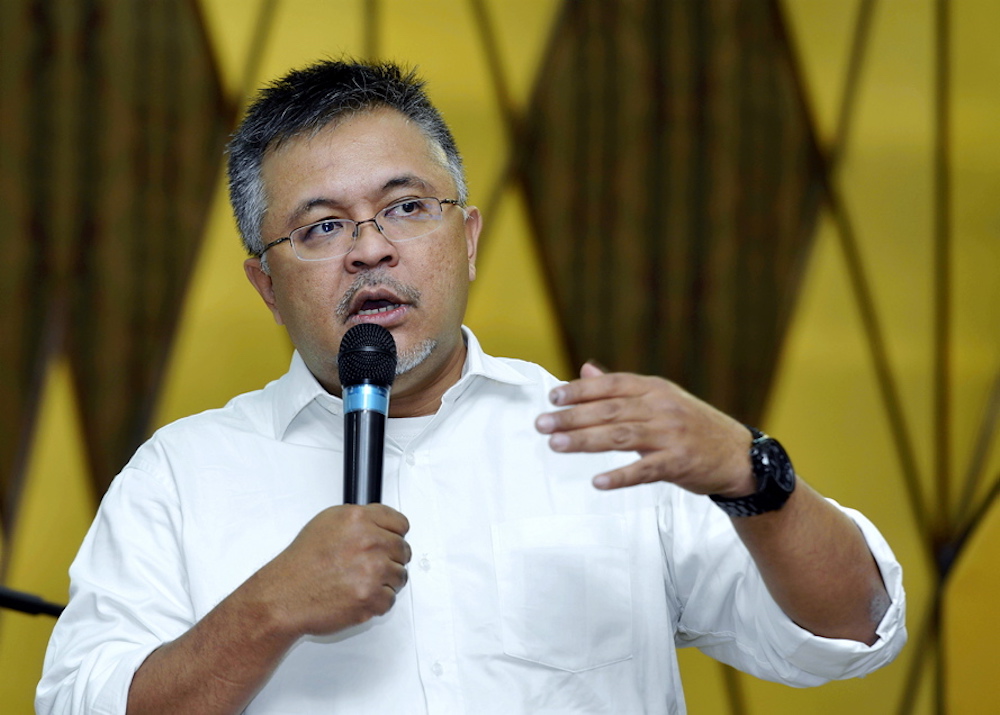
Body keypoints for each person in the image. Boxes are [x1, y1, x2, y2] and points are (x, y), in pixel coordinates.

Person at [36, 59, 906, 714]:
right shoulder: (181, 475)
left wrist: (752, 474)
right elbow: (85, 699)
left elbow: (852, 632)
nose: (370, 248)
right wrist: (267, 609)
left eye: (407, 207)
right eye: (324, 225)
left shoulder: (598, 439)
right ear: (266, 284)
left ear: (470, 239)